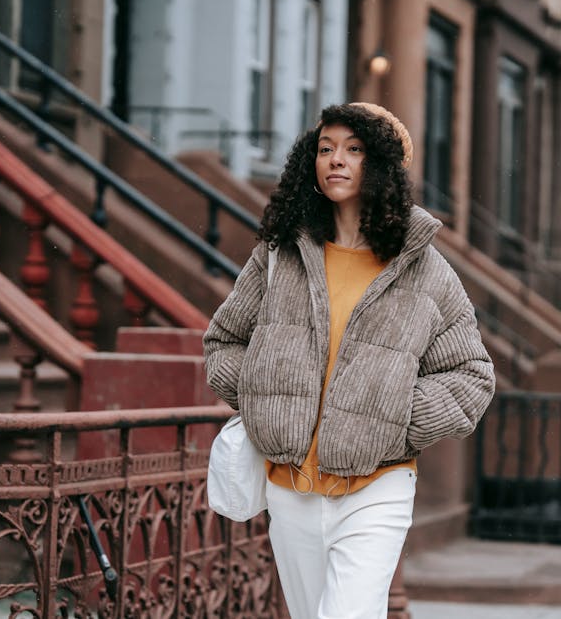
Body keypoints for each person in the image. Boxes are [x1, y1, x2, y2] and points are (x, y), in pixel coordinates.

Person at [202, 102, 495, 619]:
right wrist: (268, 396)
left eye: (353, 150)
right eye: (325, 149)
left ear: (379, 166)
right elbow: (222, 342)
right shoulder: (279, 254)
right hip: (289, 488)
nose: (336, 160)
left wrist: (398, 418)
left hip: (376, 487)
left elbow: (472, 377)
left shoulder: (424, 270)